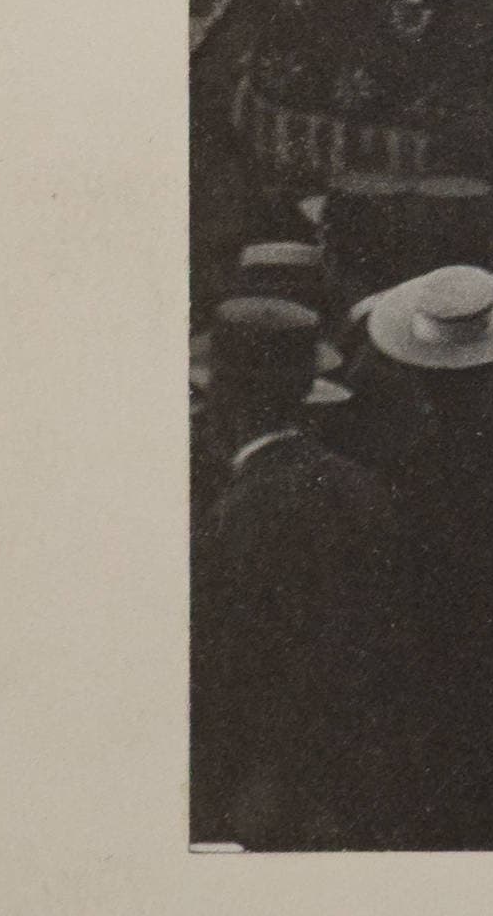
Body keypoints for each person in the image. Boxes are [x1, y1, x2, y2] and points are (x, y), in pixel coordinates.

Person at [192, 295, 411, 846]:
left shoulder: (237, 511)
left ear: (224, 402)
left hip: (269, 786)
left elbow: (231, 668)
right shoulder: (360, 483)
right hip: (364, 772)